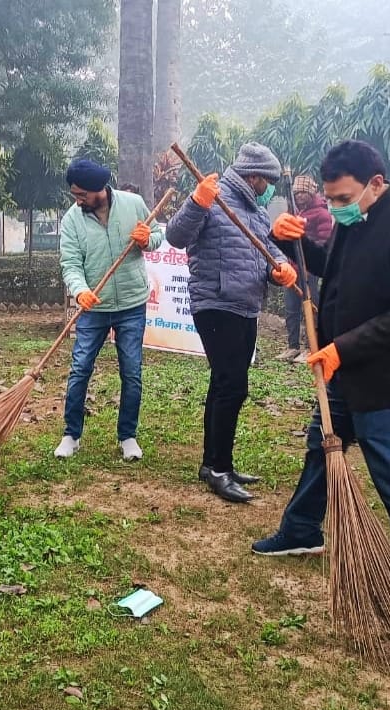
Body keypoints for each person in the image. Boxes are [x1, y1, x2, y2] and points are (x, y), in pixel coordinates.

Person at [251, 140, 390, 617]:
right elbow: (330, 269)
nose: (336, 208)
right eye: (330, 200)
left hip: (380, 377)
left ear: (377, 185)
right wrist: (293, 240)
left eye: (344, 199)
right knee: (321, 449)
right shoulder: (355, 224)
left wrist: (343, 348)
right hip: (339, 369)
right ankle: (302, 530)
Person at [165, 143, 298, 502]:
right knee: (232, 385)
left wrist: (280, 270)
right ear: (254, 176)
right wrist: (196, 201)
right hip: (215, 304)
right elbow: (176, 237)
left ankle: (214, 464)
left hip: (246, 306)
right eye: (266, 181)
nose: (268, 187)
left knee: (224, 385)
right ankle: (219, 469)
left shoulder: (255, 210)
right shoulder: (216, 198)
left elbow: (267, 253)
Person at [56, 158, 164, 461]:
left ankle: (128, 436)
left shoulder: (133, 204)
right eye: (74, 195)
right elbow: (70, 264)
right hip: (94, 307)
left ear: (99, 188)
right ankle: (71, 434)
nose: (77, 201)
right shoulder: (72, 220)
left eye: (81, 194)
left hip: (131, 304)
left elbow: (157, 234)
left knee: (131, 372)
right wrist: (80, 291)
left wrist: (147, 240)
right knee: (80, 369)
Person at [276, 174, 333, 363]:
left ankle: (312, 348)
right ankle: (292, 346)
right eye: (296, 193)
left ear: (310, 193)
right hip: (292, 270)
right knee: (291, 309)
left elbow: (323, 242)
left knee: (311, 309)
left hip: (309, 271)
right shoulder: (295, 212)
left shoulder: (321, 214)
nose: (299, 196)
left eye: (302, 193)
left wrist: (307, 257)